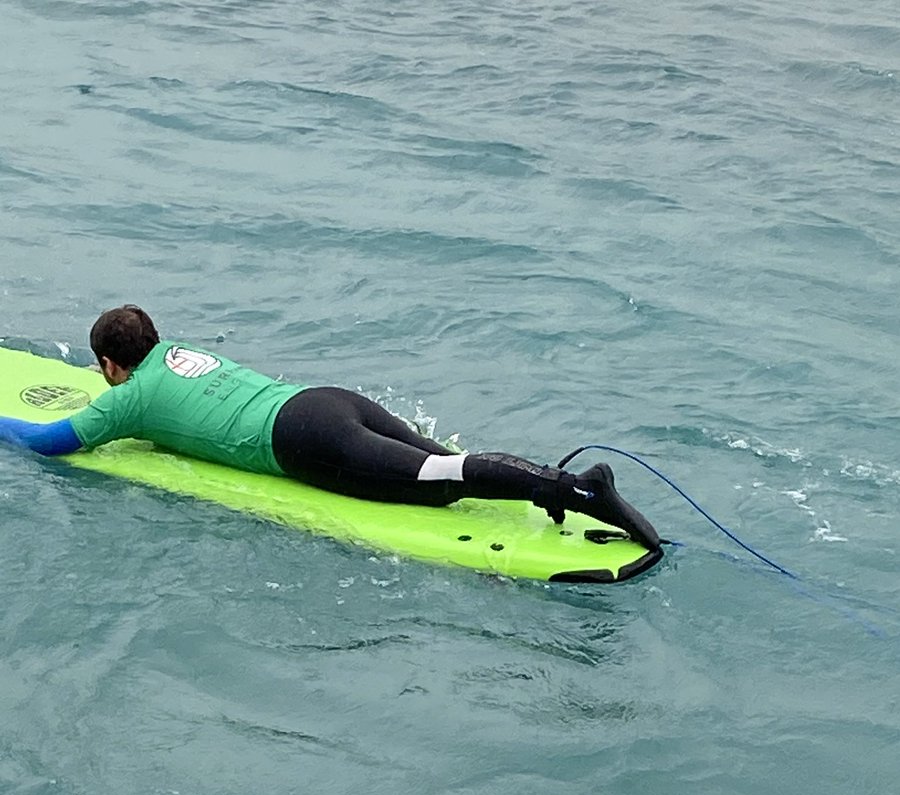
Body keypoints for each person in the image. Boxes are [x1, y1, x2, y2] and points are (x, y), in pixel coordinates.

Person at [0, 305, 660, 549]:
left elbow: (47, 443)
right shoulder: (179, 351)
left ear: (112, 365)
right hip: (328, 401)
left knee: (441, 481)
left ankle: (574, 487)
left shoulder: (126, 399)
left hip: (308, 443)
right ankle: (550, 482)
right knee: (445, 460)